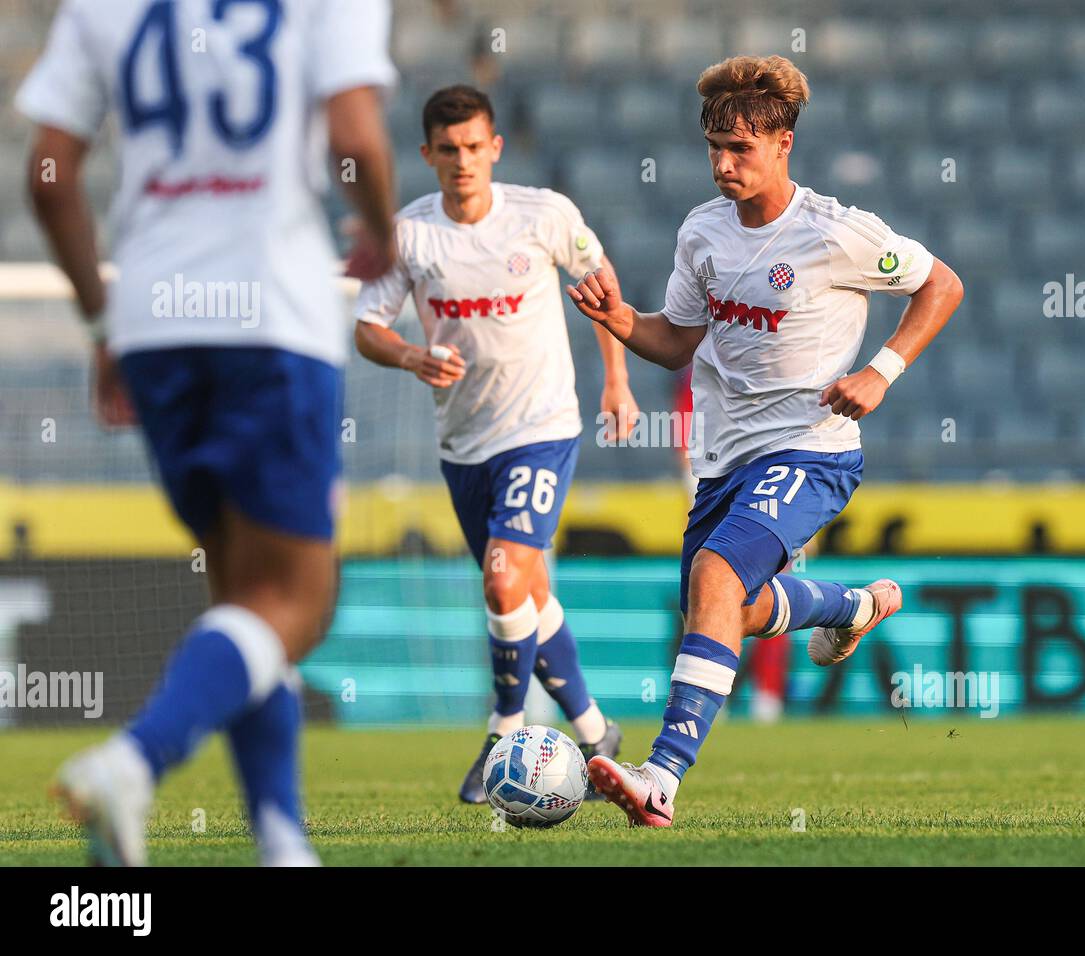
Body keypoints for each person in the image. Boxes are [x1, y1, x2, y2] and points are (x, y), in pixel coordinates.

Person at [20, 0, 399, 864]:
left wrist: (99, 323)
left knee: (243, 597)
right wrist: (384, 237)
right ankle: (136, 760)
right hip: (268, 313)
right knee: (299, 599)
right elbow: (358, 140)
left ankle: (280, 836)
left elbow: (47, 174)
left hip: (154, 320)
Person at [566, 55, 964, 827]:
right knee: (726, 610)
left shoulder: (835, 232)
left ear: (783, 144)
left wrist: (881, 372)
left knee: (716, 573)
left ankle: (661, 776)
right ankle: (849, 606)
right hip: (725, 456)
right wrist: (622, 322)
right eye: (714, 146)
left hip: (813, 449)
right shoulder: (702, 230)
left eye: (740, 148)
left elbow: (941, 284)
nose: (722, 163)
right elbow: (678, 339)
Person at [353, 85, 635, 802]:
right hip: (464, 441)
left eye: (475, 147)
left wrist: (617, 382)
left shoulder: (543, 215)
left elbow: (600, 285)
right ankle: (598, 732)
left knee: (505, 578)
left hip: (541, 426)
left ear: (495, 148)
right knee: (526, 596)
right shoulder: (409, 235)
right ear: (427, 155)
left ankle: (504, 732)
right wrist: (412, 356)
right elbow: (367, 328)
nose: (462, 161)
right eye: (447, 150)